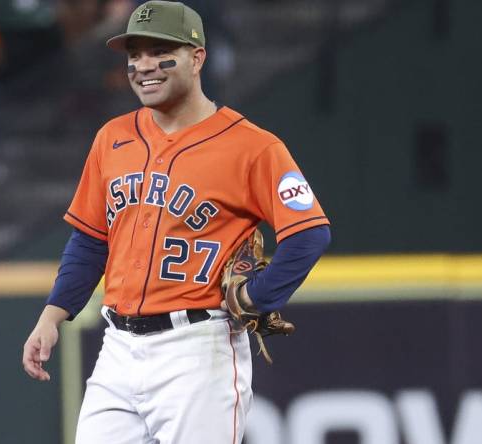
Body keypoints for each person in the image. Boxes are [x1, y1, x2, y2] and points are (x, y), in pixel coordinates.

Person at [21, 1, 331, 442]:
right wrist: (52, 316)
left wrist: (259, 298)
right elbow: (90, 240)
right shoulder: (113, 138)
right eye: (135, 55)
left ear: (197, 56)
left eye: (159, 52)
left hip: (198, 349)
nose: (143, 66)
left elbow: (309, 234)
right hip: (118, 346)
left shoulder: (253, 147)